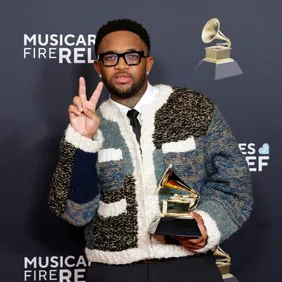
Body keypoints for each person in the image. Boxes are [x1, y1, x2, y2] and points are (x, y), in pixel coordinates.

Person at [49, 19, 253, 282]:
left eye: (132, 56)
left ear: (148, 63)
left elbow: (235, 185)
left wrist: (207, 224)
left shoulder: (195, 109)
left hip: (189, 267)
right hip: (113, 272)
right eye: (111, 57)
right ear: (98, 67)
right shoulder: (83, 128)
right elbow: (75, 214)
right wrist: (83, 142)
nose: (121, 65)